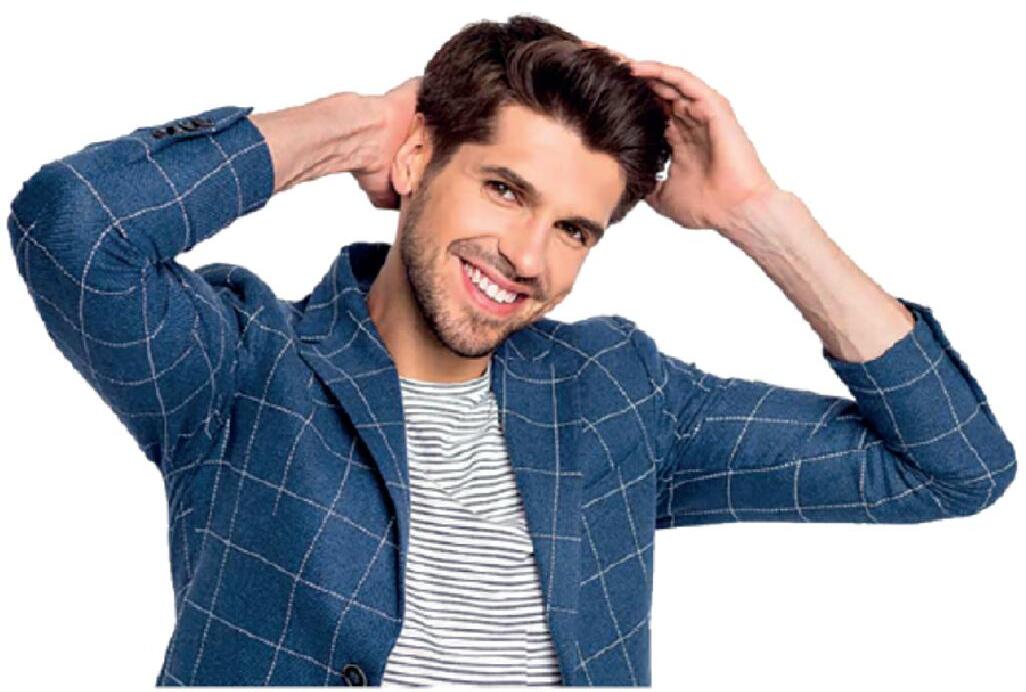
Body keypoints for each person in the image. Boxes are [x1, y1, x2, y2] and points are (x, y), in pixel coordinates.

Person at [6, 13, 1016, 688]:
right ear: (418, 159)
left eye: (574, 229)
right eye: (503, 189)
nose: (527, 257)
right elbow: (71, 228)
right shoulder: (241, 365)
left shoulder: (617, 395)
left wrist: (760, 218)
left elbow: (954, 465)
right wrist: (348, 129)